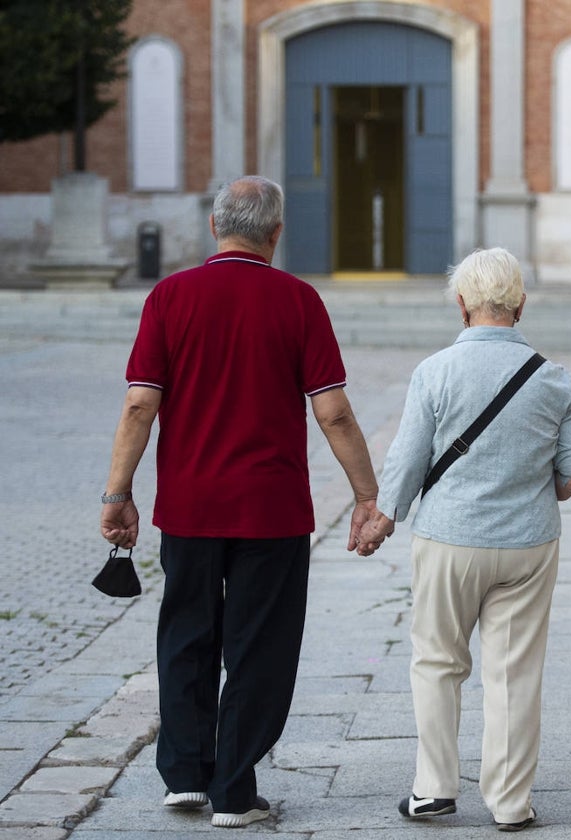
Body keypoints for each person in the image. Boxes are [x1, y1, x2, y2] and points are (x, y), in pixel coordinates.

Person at [99, 175, 381, 829]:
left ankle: (184, 775)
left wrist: (118, 494)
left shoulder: (170, 297)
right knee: (260, 646)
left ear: (213, 227)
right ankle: (233, 790)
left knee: (186, 636)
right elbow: (333, 412)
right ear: (276, 234)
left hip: (190, 506)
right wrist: (366, 495)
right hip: (272, 510)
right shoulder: (298, 300)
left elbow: (141, 401)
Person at [357, 247, 571, 832]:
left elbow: (407, 461)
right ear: (521, 303)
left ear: (462, 305)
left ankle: (434, 790)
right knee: (514, 674)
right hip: (528, 545)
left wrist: (382, 518)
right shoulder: (553, 378)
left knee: (438, 662)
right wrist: (529, 479)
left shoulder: (435, 371)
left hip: (449, 542)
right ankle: (512, 805)